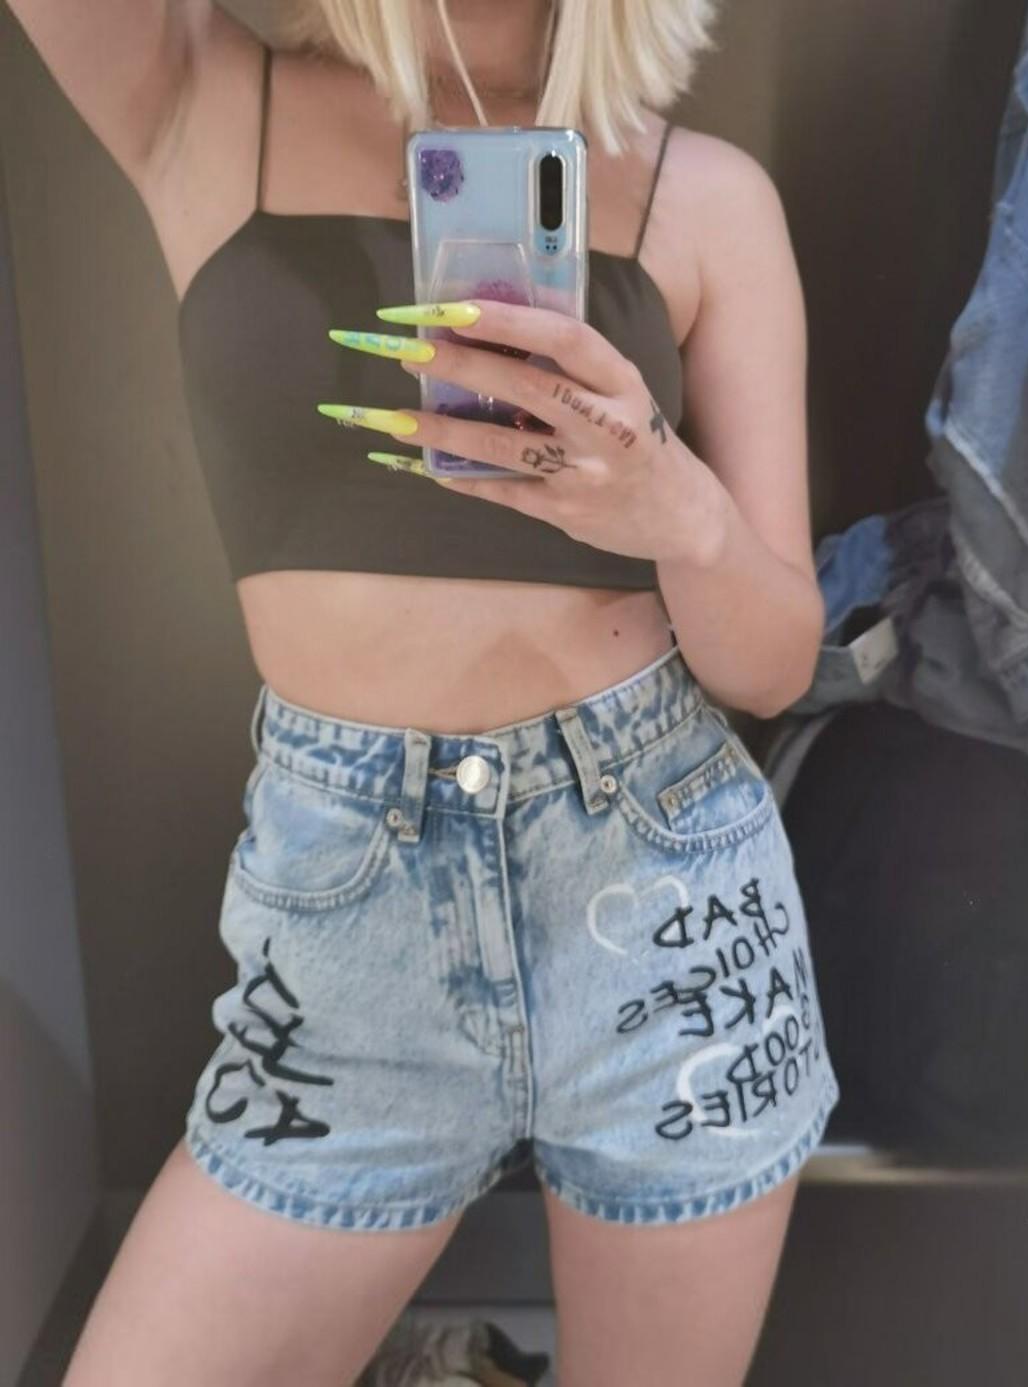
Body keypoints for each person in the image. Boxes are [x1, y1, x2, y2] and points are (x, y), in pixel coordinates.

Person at [10, 1, 840, 1382]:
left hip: (664, 901)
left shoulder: (708, 197)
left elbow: (776, 661)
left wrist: (673, 509)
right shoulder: (204, 98)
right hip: (348, 926)